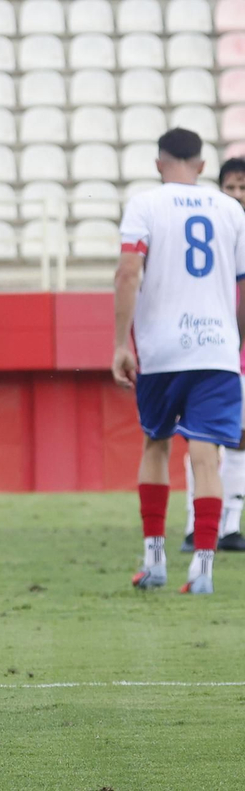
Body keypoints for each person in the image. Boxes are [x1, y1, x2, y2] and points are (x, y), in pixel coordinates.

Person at [116, 128, 245, 596]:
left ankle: (155, 563)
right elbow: (243, 286)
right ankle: (203, 570)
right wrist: (235, 343)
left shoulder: (144, 205)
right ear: (203, 166)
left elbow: (128, 273)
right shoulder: (231, 210)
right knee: (206, 454)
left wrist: (120, 344)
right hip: (216, 348)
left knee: (156, 444)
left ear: (158, 163)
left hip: (162, 348)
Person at [178, 156, 245, 552]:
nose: (236, 194)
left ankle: (231, 526)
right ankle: (195, 524)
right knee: (201, 438)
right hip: (214, 346)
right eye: (230, 186)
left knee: (240, 439)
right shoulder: (213, 232)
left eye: (243, 187)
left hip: (238, 351)